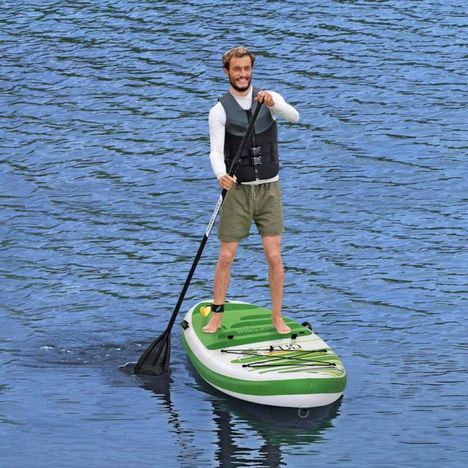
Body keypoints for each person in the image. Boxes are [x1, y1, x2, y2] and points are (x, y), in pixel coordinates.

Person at [202, 46, 299, 334]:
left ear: (251, 70)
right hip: (238, 192)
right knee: (226, 257)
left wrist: (274, 103)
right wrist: (221, 175)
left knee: (274, 256)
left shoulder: (269, 99)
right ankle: (217, 315)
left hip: (269, 190)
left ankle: (277, 317)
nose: (242, 74)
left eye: (246, 69)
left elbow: (294, 117)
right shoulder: (219, 111)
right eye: (237, 69)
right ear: (227, 72)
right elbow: (215, 152)